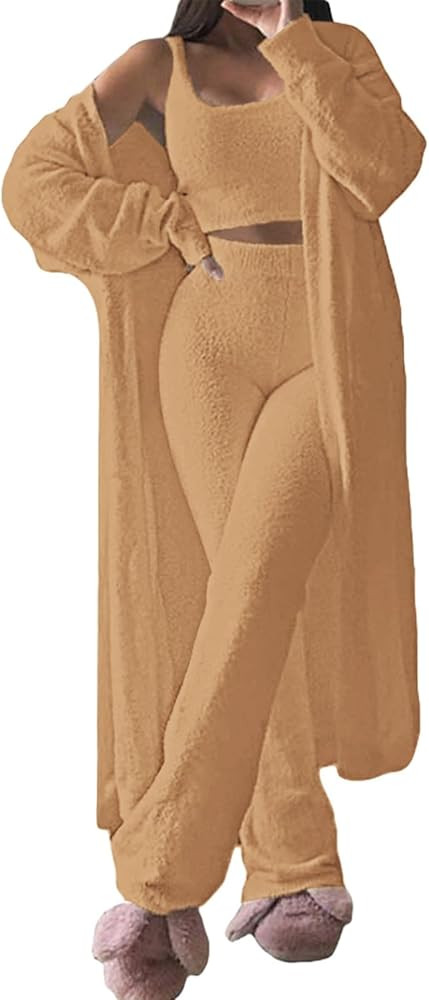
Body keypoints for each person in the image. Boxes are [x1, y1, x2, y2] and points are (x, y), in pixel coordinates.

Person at [2, 1, 425, 996]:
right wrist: (155, 220)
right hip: (204, 349)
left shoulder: (337, 52)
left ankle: (158, 883)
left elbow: (384, 170)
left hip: (331, 343)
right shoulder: (158, 67)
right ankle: (293, 868)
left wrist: (293, 44)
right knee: (240, 596)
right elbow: (32, 180)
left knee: (257, 583)